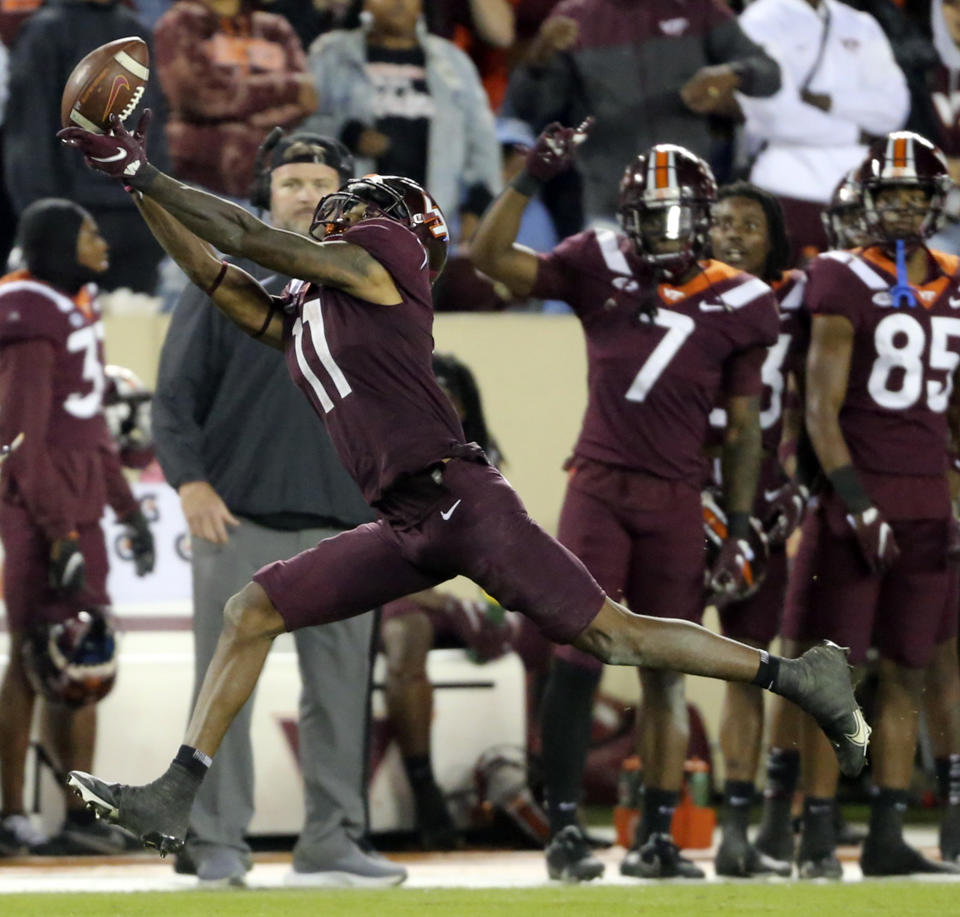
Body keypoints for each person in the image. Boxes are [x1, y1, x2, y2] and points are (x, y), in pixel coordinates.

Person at [56, 111, 867, 862]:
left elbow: (243, 233)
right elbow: (220, 272)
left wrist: (143, 166)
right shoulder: (318, 304)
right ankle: (178, 791)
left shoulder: (387, 265)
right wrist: (134, 181)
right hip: (408, 517)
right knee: (250, 610)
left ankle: (797, 676)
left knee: (614, 637)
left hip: (459, 500)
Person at [469, 125, 798, 881]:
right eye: (649, 214)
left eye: (677, 213)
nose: (662, 229)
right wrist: (525, 179)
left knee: (666, 671)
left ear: (702, 215)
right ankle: (563, 834)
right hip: (601, 485)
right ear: (628, 214)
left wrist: (742, 524)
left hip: (680, 497)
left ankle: (658, 836)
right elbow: (489, 259)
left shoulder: (744, 298)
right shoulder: (598, 260)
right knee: (576, 654)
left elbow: (745, 427)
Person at [151, 129, 404, 886]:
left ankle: (334, 839)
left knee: (341, 696)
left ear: (345, 197)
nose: (302, 192)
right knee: (220, 692)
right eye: (290, 181)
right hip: (237, 515)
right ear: (266, 195)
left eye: (318, 180)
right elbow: (173, 399)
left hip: (346, 523)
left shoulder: (369, 282)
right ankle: (218, 841)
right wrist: (189, 482)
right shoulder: (228, 275)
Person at [782, 130, 960, 878]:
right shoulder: (839, 275)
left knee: (909, 672)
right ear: (869, 201)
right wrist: (855, 503)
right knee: (835, 676)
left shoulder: (953, 278)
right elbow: (818, 408)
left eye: (916, 196)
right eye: (893, 195)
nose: (905, 209)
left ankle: (887, 834)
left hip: (928, 500)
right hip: (861, 498)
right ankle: (817, 834)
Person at [0, 199, 154, 856]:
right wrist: (59, 531)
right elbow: (21, 438)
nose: (102, 240)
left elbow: (88, 429)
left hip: (81, 503)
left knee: (84, 657)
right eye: (89, 231)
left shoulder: (75, 306)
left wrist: (125, 507)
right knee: (36, 655)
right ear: (59, 241)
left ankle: (79, 814)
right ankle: (12, 813)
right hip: (43, 509)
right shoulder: (29, 310)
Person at [705, 181, 807, 877]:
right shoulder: (669, 285)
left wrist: (796, 479)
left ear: (772, 237)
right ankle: (661, 817)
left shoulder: (797, 298)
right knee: (657, 659)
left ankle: (741, 823)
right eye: (721, 223)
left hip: (757, 495)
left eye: (749, 224)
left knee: (752, 666)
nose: (734, 234)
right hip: (680, 492)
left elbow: (814, 389)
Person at [503, 0, 782, 225]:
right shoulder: (574, 18)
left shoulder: (697, 8)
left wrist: (732, 73)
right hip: (611, 205)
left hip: (687, 201)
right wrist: (538, 60)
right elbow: (532, 110)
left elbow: (770, 73)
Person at [3, 0, 169, 294]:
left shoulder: (137, 31)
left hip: (136, 218)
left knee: (135, 333)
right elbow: (31, 134)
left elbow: (154, 122)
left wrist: (159, 202)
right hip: (72, 219)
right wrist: (45, 216)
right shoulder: (45, 31)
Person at [303, 0, 501, 245]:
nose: (398, 2)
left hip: (430, 228)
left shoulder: (452, 61)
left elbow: (482, 145)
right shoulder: (331, 52)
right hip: (346, 225)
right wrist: (347, 134)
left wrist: (477, 208)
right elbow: (301, 128)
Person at [735, 0, 909, 262]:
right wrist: (855, 134)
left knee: (854, 296)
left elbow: (894, 108)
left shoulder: (861, 23)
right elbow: (772, 116)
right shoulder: (761, 19)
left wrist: (829, 101)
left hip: (858, 200)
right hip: (785, 188)